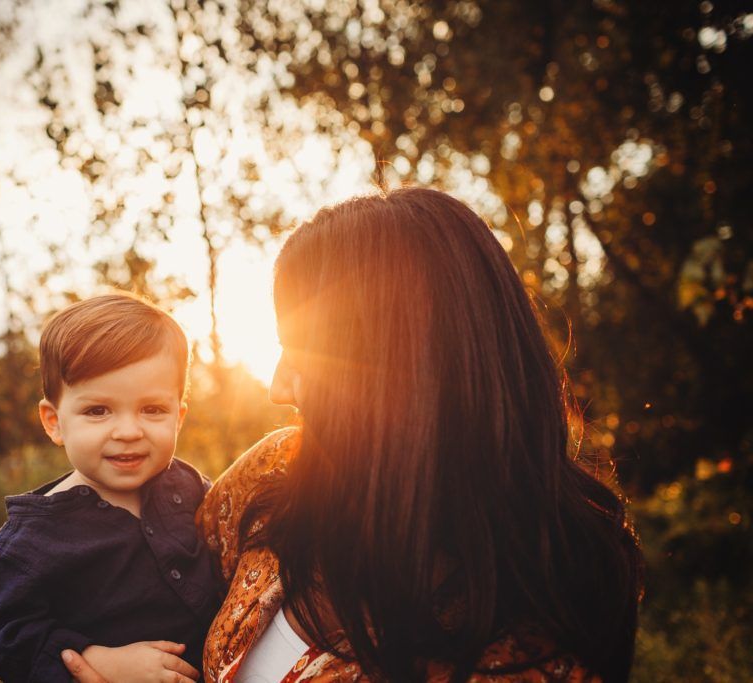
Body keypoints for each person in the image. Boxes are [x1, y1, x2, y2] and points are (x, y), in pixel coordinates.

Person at [63, 187, 644, 682]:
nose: (277, 388)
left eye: (301, 352)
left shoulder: (545, 616)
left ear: (395, 369)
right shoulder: (275, 475)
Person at [0, 293, 221, 682]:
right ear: (54, 421)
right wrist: (96, 660)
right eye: (98, 411)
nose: (128, 432)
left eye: (152, 409)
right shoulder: (30, 543)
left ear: (179, 416)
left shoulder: (188, 487)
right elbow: (5, 639)